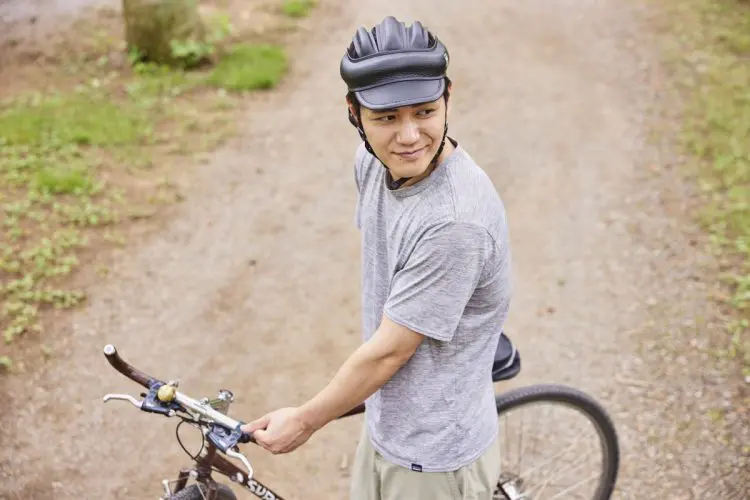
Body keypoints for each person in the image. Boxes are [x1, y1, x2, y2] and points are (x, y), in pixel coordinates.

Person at [242, 16, 512, 500]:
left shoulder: (455, 223)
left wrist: (305, 420)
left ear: (447, 97)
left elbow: (390, 351)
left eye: (425, 112)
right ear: (354, 113)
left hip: (433, 452)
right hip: (387, 418)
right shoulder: (371, 162)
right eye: (386, 118)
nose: (408, 137)